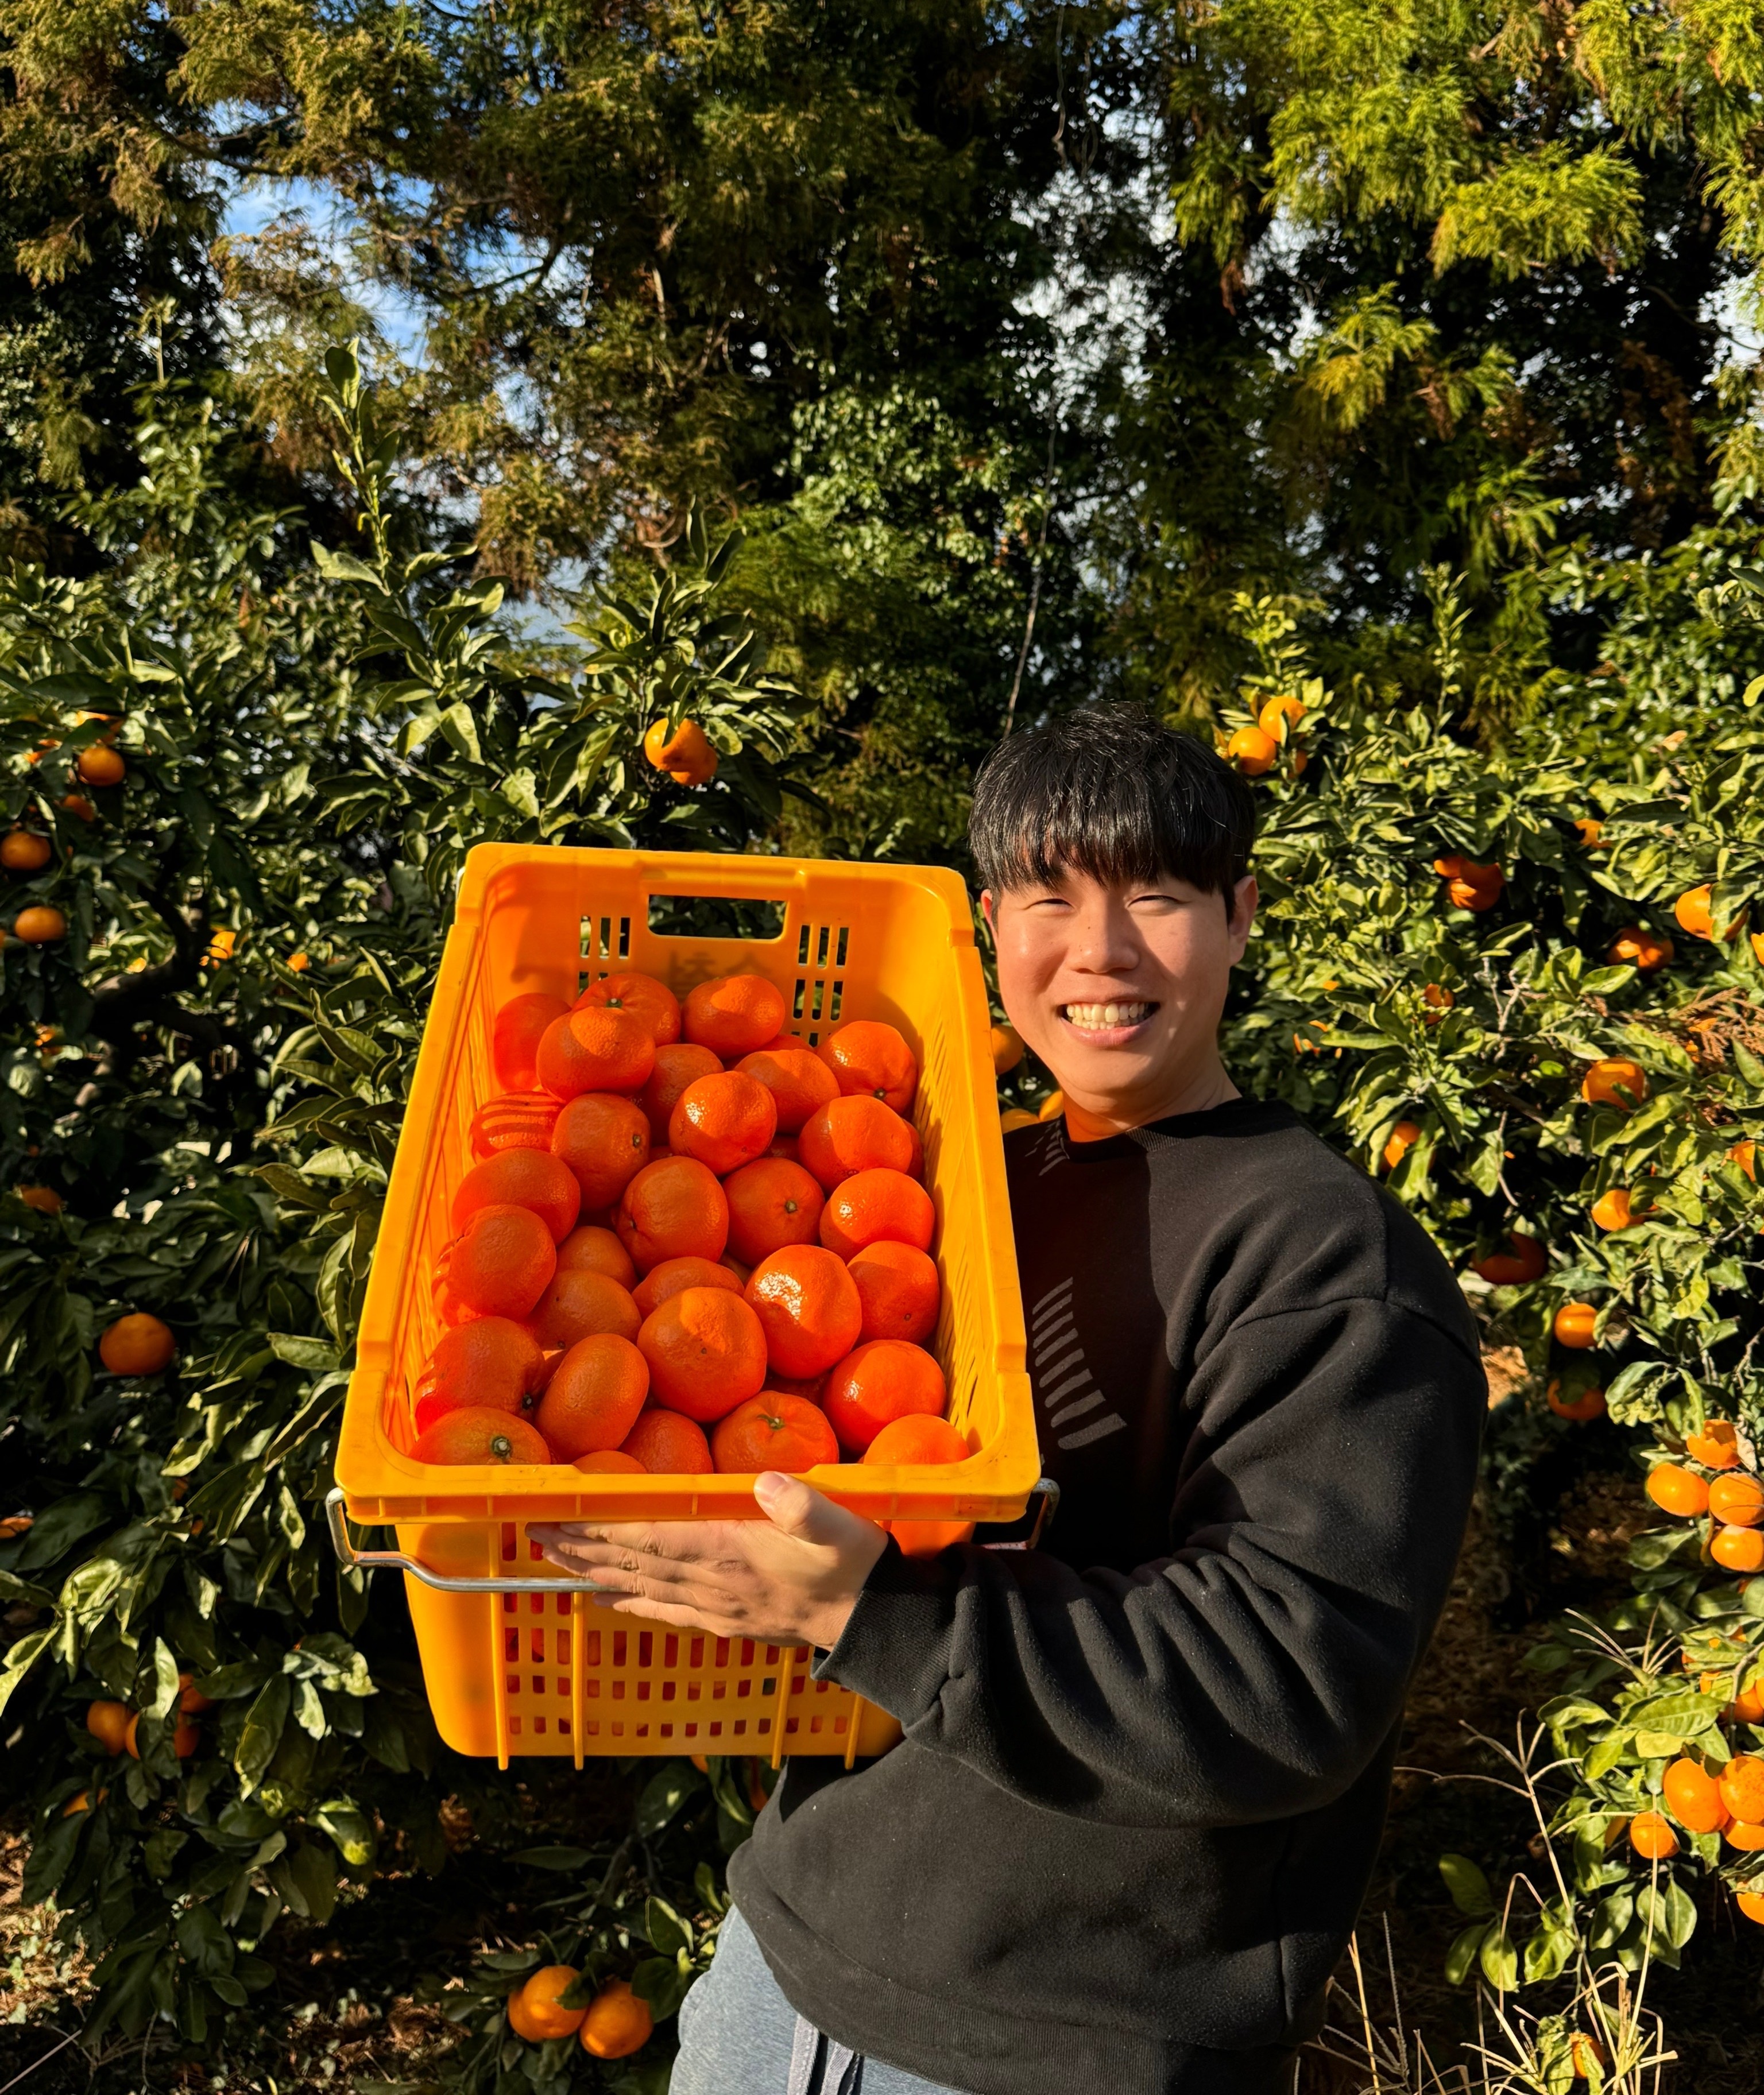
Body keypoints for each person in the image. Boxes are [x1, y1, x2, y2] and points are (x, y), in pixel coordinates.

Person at [532, 703, 1486, 2095]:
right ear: (991, 930)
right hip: (784, 1962)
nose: (1099, 952)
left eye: (1155, 896)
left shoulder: (1326, 1257)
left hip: (1067, 2039)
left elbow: (1287, 1681)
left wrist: (876, 1615)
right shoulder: (950, 1191)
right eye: (1051, 897)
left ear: (1240, 917)